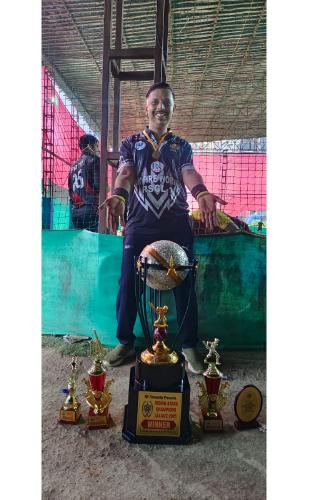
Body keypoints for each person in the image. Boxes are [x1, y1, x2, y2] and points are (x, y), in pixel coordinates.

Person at [99, 82, 226, 374]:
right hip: (139, 224)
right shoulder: (131, 143)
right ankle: (125, 342)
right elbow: (126, 173)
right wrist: (119, 195)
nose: (161, 107)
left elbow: (189, 172)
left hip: (176, 223)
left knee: (185, 283)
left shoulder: (182, 146)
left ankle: (189, 345)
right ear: (146, 107)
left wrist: (201, 193)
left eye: (166, 102)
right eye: (155, 101)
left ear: (173, 108)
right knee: (128, 282)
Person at [68, 134, 100, 231]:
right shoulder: (94, 160)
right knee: (95, 240)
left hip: (75, 212)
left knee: (80, 240)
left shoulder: (73, 166)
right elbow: (99, 186)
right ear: (91, 145)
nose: (98, 149)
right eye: (97, 146)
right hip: (91, 210)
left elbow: (70, 191)